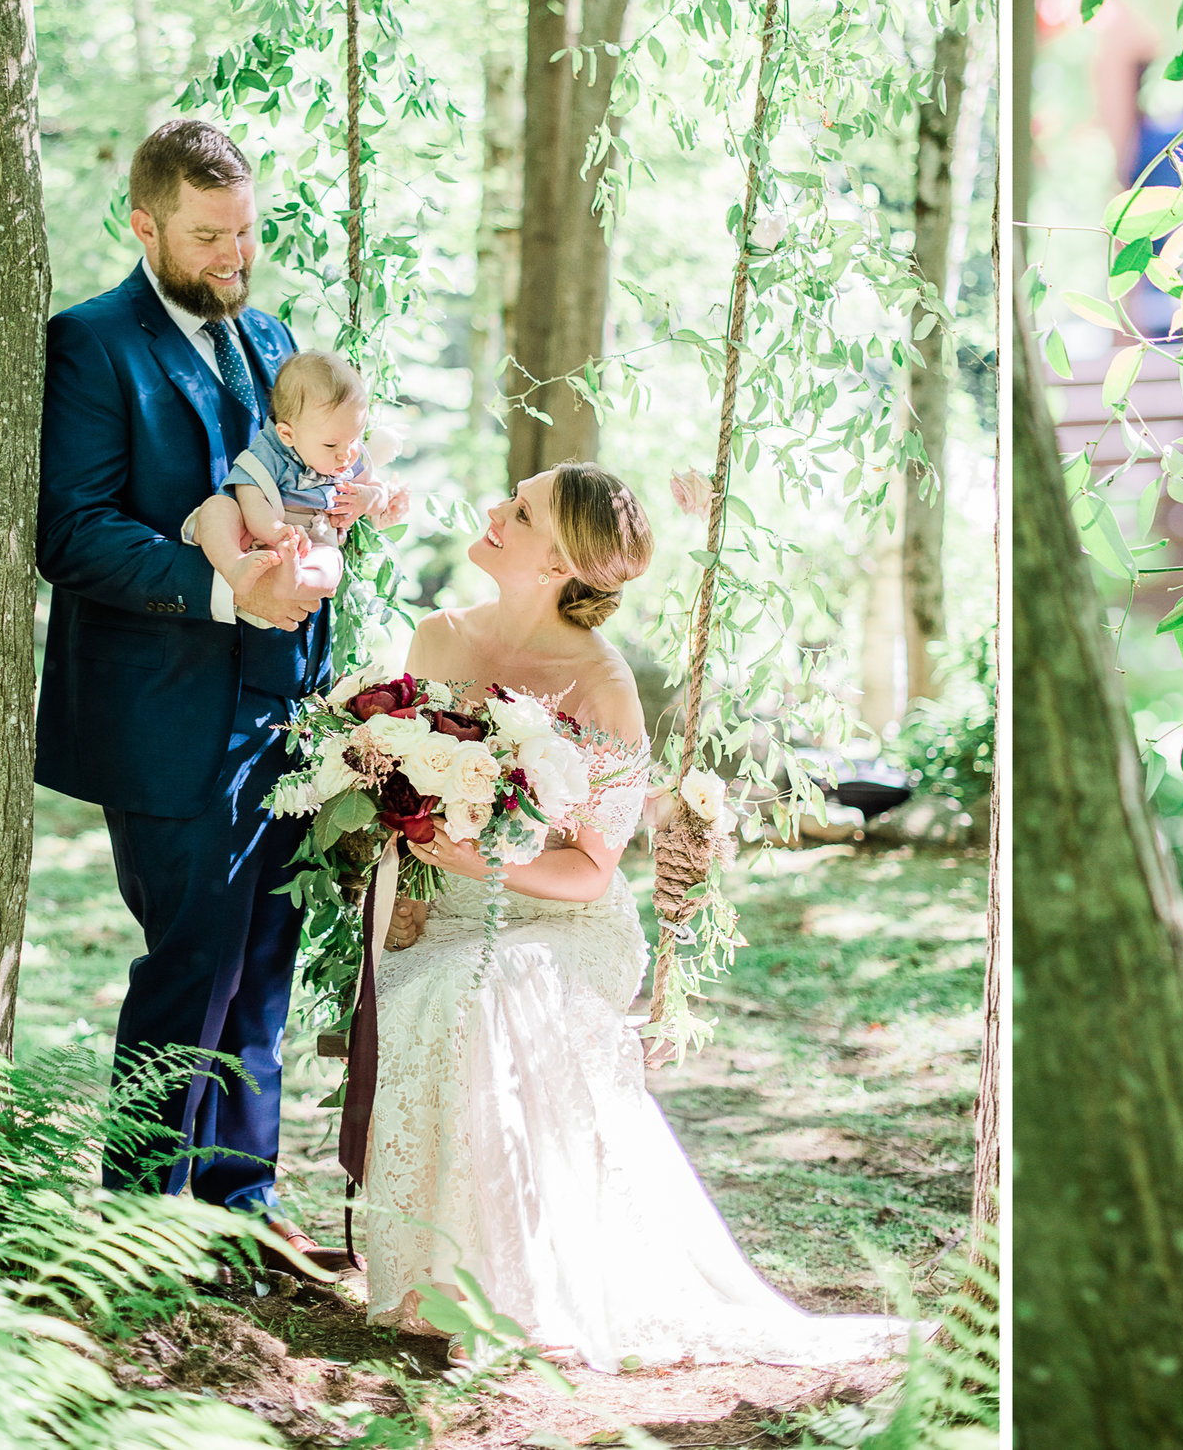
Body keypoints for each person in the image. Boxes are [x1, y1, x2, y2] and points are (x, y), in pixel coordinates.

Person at [360, 462, 910, 1370]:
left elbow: (586, 871)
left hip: (560, 926)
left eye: (522, 510)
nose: (497, 509)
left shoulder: (601, 689)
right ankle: (443, 1277)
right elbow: (412, 794)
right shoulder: (436, 639)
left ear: (562, 560)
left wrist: (483, 855)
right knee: (452, 979)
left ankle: (514, 1290)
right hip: (440, 910)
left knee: (491, 987)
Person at [34, 118, 398, 1265]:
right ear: (144, 225)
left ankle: (238, 1210)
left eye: (244, 229)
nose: (235, 254)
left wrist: (333, 521)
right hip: (167, 711)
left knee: (267, 962)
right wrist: (227, 592)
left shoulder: (275, 335)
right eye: (208, 236)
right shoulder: (91, 345)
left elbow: (294, 480)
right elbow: (77, 532)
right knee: (190, 960)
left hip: (286, 711)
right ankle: (142, 1226)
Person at [189, 349, 395, 620]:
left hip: (311, 544)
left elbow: (378, 490)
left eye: (355, 438)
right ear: (288, 434)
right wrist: (275, 532)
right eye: (331, 444)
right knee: (216, 508)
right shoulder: (270, 452)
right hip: (255, 534)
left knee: (332, 562)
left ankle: (299, 579)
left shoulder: (350, 454)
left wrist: (368, 498)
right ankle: (233, 565)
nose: (347, 454)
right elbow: (249, 493)